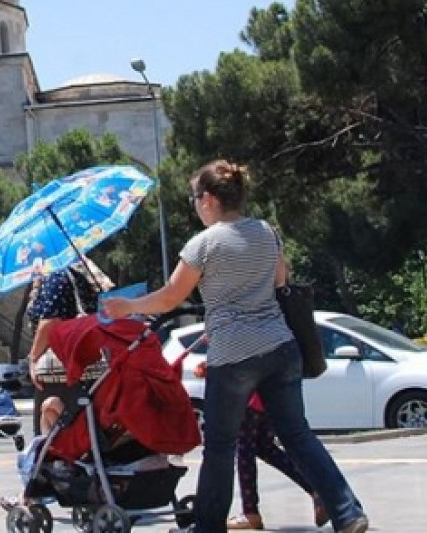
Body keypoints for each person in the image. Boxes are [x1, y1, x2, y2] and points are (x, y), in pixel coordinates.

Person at [101, 159, 369, 533]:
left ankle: (209, 526)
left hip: (233, 355)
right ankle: (347, 513)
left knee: (220, 445)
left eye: (195, 198)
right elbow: (280, 283)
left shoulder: (203, 244)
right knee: (297, 435)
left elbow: (170, 298)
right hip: (280, 346)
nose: (195, 206)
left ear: (209, 199)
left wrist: (127, 307)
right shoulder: (266, 232)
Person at [195, 361, 326, 530]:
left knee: (245, 451)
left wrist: (215, 367)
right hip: (267, 389)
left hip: (250, 390)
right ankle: (317, 490)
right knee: (264, 447)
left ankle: (250, 512)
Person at [24, 258, 108, 436]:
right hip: (88, 363)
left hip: (60, 370)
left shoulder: (55, 276)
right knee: (86, 430)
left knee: (52, 434)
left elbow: (50, 321)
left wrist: (33, 357)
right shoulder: (81, 274)